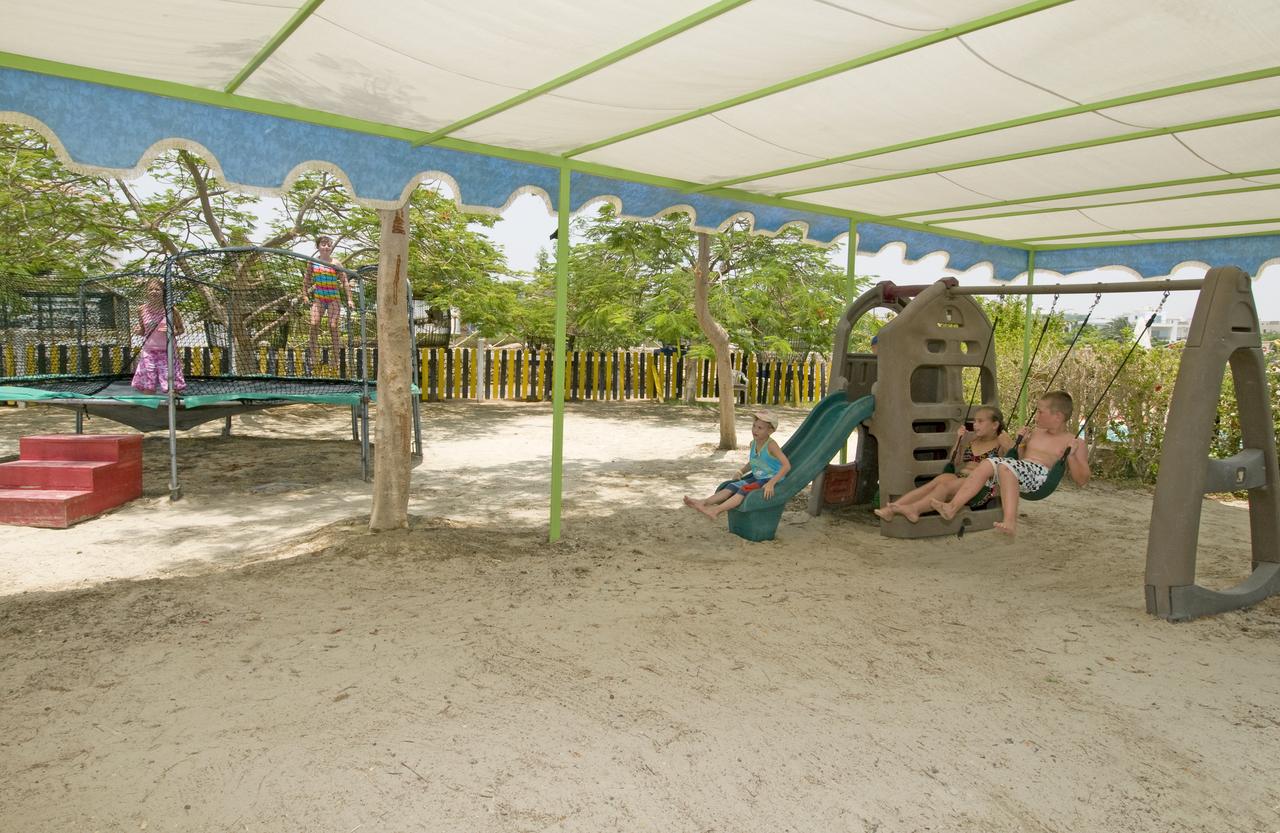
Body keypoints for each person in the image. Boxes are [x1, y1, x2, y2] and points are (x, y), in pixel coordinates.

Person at [931, 391, 1090, 536]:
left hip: (1040, 479)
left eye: (1040, 412)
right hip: (1018, 471)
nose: (1036, 416)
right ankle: (952, 507)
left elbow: (1082, 480)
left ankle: (1010, 522)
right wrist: (1019, 443)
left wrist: (1071, 456)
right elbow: (1020, 459)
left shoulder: (1074, 442)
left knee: (1005, 467)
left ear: (1058, 416)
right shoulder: (1035, 433)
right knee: (987, 464)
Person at [875, 405, 1013, 523]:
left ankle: (915, 509)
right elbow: (956, 460)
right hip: (961, 477)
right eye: (974, 421)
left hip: (981, 487)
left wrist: (1009, 445)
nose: (975, 424)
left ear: (995, 425)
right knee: (936, 482)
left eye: (980, 421)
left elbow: (1014, 462)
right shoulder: (973, 440)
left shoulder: (1000, 443)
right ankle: (891, 509)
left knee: (944, 486)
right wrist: (959, 440)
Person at [684, 410, 791, 520]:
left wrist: (771, 483)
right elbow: (754, 462)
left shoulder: (771, 445)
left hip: (770, 479)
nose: (755, 430)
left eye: (760, 428)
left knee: (744, 489)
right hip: (758, 477)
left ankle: (715, 510)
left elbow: (786, 466)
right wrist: (741, 471)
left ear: (770, 431)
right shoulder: (753, 443)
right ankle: (703, 502)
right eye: (754, 426)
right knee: (732, 486)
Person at [303, 235, 354, 367]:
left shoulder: (336, 263)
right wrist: (305, 295)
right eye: (323, 244)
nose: (326, 247)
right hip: (319, 299)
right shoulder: (312, 262)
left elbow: (345, 281)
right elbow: (307, 279)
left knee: (333, 326)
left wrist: (350, 299)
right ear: (318, 246)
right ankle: (314, 357)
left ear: (331, 247)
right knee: (314, 323)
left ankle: (335, 359)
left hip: (333, 299)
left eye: (329, 245)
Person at [131, 278, 186, 395]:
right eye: (151, 289)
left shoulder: (171, 310)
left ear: (163, 291)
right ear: (146, 292)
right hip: (149, 351)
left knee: (171, 384)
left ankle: (175, 404)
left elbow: (181, 329)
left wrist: (171, 331)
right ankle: (148, 406)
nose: (154, 292)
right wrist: (138, 331)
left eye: (157, 289)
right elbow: (143, 330)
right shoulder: (141, 310)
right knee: (148, 383)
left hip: (167, 351)